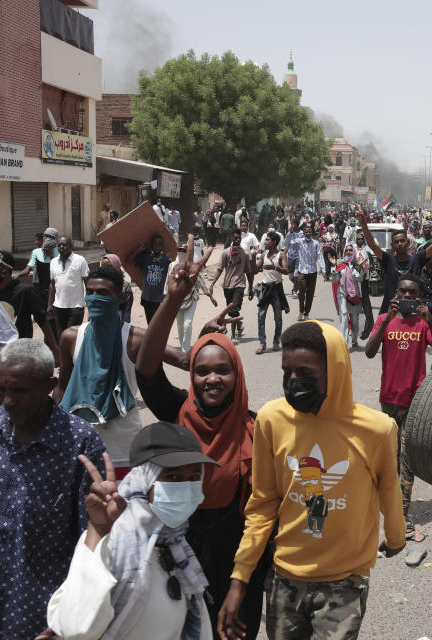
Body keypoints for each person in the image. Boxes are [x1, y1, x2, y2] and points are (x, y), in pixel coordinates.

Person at [217, 321, 405, 640]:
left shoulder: (376, 430)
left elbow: (389, 490)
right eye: (286, 372)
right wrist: (240, 578)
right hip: (284, 577)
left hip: (345, 581)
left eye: (304, 373)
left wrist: (396, 536)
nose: (292, 382)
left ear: (335, 370)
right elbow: (262, 504)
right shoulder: (271, 420)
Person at [135, 246, 270, 639]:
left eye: (223, 371)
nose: (212, 379)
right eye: (202, 371)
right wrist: (174, 298)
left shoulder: (257, 429)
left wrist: (244, 580)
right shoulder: (179, 415)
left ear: (238, 376)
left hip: (238, 569)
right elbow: (146, 368)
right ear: (191, 377)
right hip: (178, 560)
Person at [0, 339, 106, 640]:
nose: (7, 401)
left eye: (19, 391)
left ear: (50, 385)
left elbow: (91, 535)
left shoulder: (80, 442)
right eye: (0, 390)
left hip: (45, 610)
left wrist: (75, 611)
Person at [47, 423, 217, 639]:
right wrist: (98, 530)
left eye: (194, 478)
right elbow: (77, 628)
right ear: (144, 480)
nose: (186, 486)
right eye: (173, 477)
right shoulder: (111, 543)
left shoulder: (179, 549)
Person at [55, 265, 189, 477]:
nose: (94, 298)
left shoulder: (135, 339)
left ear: (120, 297)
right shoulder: (71, 337)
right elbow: (63, 386)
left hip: (122, 443)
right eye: (90, 292)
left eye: (103, 293)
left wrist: (210, 339)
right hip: (78, 438)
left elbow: (183, 360)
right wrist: (53, 429)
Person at [365, 273, 432, 530]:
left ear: (419, 296)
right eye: (403, 292)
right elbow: (368, 352)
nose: (407, 296)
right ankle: (388, 501)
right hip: (389, 400)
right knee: (391, 457)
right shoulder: (383, 320)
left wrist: (431, 323)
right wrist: (388, 318)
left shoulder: (423, 325)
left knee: (407, 458)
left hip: (414, 402)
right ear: (396, 294)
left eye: (412, 293)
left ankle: (401, 513)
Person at [358, 208, 432, 318]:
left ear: (407, 243)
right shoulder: (388, 260)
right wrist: (363, 222)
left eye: (402, 241)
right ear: (392, 245)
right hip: (390, 312)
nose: (400, 244)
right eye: (396, 242)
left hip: (412, 313)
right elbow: (372, 244)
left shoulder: (417, 259)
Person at [0, 250, 59, 359]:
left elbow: (42, 320)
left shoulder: (25, 291)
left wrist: (55, 349)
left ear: (4, 269)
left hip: (21, 351)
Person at [209, 231, 255, 339]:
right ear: (232, 239)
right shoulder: (225, 253)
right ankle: (239, 324)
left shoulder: (245, 254)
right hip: (227, 285)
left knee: (234, 308)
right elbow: (220, 269)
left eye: (239, 238)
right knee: (230, 310)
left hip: (239, 284)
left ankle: (233, 335)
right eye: (235, 238)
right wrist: (212, 284)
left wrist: (251, 287)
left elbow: (249, 272)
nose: (238, 240)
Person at [173, 243, 214, 352]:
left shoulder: (193, 266)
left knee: (187, 324)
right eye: (179, 251)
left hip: (191, 298)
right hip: (177, 301)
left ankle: (185, 350)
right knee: (180, 326)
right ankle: (183, 347)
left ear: (187, 253)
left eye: (183, 251)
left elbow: (201, 281)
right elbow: (167, 285)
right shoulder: (172, 266)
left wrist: (210, 296)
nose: (181, 253)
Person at [48, 235, 90, 340]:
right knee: (60, 336)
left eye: (64, 245)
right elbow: (52, 285)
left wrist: (90, 304)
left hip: (75, 306)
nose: (61, 247)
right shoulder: (53, 262)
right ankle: (62, 357)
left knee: (72, 337)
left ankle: (74, 356)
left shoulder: (80, 260)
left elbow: (87, 283)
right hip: (58, 306)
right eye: (59, 245)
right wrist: (49, 304)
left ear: (71, 246)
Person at [255, 230, 289, 354]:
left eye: (268, 240)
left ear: (274, 242)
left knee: (278, 317)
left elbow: (286, 271)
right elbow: (255, 269)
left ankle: (276, 341)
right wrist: (252, 257)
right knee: (261, 315)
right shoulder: (263, 254)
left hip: (276, 288)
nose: (265, 241)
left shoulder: (281, 255)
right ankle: (262, 343)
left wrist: (274, 267)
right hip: (264, 288)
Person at [129, 234, 173, 324]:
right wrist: (139, 250)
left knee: (157, 323)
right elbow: (129, 261)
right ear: (151, 245)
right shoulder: (145, 258)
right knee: (150, 322)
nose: (157, 247)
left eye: (159, 244)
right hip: (147, 297)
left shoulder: (166, 260)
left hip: (160, 298)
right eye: (155, 244)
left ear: (162, 246)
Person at [330, 243, 365, 349]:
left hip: (354, 295)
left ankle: (354, 339)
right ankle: (343, 342)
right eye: (347, 250)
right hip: (342, 293)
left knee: (354, 319)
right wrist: (333, 267)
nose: (348, 252)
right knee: (344, 317)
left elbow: (360, 279)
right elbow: (335, 280)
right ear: (344, 251)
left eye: (350, 250)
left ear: (353, 252)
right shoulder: (340, 263)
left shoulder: (357, 263)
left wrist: (359, 268)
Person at [289, 222, 323, 321]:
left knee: (310, 294)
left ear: (311, 233)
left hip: (312, 271)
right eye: (306, 231)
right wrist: (291, 233)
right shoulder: (298, 241)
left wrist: (323, 270)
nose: (308, 233)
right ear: (303, 232)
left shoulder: (316, 243)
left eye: (309, 231)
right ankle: (301, 311)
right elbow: (289, 243)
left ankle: (307, 313)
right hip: (302, 271)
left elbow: (320, 257)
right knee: (301, 292)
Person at [21, 227, 60, 310]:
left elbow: (60, 267)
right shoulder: (36, 252)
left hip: (53, 284)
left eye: (51, 237)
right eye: (46, 236)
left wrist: (51, 255)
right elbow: (28, 268)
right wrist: (17, 275)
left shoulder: (60, 250)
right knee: (40, 307)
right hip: (39, 284)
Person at [102, 253, 134, 324]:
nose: (105, 269)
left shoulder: (125, 287)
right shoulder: (98, 284)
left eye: (109, 266)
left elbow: (127, 311)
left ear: (116, 266)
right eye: (103, 266)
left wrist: (125, 328)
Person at [285, 219, 304, 298]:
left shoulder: (302, 233)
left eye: (293, 224)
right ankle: (298, 285)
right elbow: (286, 244)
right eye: (291, 224)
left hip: (299, 256)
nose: (292, 226)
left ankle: (295, 290)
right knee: (290, 276)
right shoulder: (289, 233)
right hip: (290, 256)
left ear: (297, 225)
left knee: (296, 273)